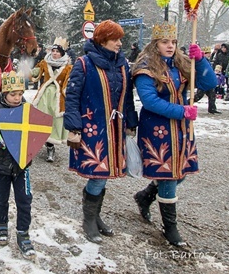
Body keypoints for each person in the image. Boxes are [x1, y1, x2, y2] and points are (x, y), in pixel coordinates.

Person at [131, 22, 217, 247]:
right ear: (155, 43)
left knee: (180, 173)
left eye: (173, 42)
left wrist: (201, 60)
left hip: (182, 129)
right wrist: (182, 111)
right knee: (169, 175)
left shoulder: (180, 63)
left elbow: (209, 82)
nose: (170, 46)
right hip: (158, 128)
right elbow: (149, 101)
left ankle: (146, 196)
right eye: (165, 42)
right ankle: (170, 228)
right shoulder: (146, 66)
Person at [64, 20, 138, 244]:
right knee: (98, 174)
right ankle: (89, 220)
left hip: (115, 129)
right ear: (102, 40)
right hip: (92, 128)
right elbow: (72, 96)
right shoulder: (84, 64)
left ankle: (95, 217)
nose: (119, 43)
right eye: (115, 39)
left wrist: (130, 121)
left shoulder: (123, 64)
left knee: (104, 175)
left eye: (120, 39)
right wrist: (74, 126)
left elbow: (127, 98)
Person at [0, 70, 36, 258]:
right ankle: (1, 224)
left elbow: (35, 132)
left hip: (21, 165)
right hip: (1, 165)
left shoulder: (27, 110)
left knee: (24, 200)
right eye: (13, 94)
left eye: (20, 94)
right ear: (4, 92)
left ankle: (23, 232)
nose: (17, 98)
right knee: (1, 198)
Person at [30, 38, 73, 163]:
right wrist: (27, 71)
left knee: (55, 121)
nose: (54, 53)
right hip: (44, 96)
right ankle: (44, 145)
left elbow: (69, 83)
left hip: (58, 98)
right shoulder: (44, 62)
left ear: (62, 53)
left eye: (57, 51)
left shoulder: (68, 67)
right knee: (42, 119)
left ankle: (51, 148)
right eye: (53, 51)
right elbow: (35, 73)